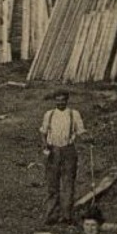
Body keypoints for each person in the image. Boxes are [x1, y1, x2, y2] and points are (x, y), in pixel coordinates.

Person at [40, 92, 86, 225]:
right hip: (53, 151)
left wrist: (88, 138)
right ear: (54, 101)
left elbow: (81, 131)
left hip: (68, 151)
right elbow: (43, 132)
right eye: (57, 100)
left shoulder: (74, 114)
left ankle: (66, 215)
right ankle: (51, 214)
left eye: (63, 100)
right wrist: (45, 144)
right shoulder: (49, 114)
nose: (60, 103)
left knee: (68, 183)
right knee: (52, 184)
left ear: (67, 101)